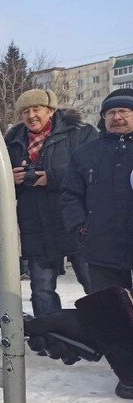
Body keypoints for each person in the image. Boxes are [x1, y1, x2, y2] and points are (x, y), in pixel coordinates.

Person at [5, 89, 96, 315]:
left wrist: (52, 177)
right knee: (42, 289)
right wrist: (11, 179)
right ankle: (50, 339)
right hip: (36, 226)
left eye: (36, 109)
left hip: (76, 221)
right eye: (25, 111)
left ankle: (111, 333)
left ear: (51, 110)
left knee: (95, 283)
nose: (31, 115)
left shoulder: (80, 133)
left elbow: (93, 166)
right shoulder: (12, 142)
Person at [61, 88, 133, 293]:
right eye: (110, 112)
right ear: (103, 118)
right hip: (102, 248)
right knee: (109, 310)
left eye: (123, 111)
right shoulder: (85, 153)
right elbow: (70, 194)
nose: (117, 117)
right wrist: (80, 227)